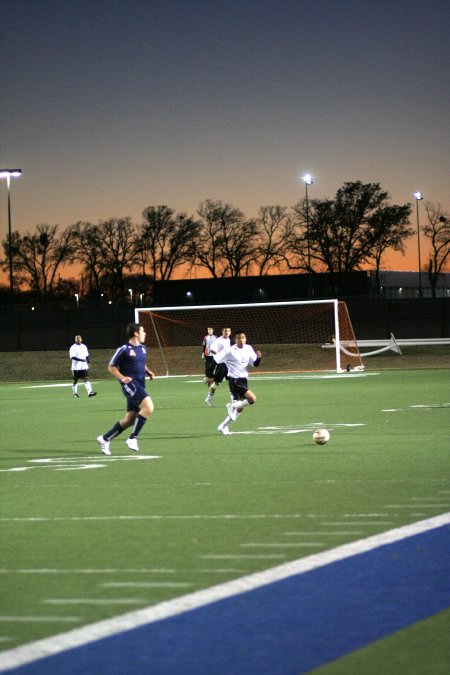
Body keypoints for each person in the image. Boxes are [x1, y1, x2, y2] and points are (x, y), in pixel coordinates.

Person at [96, 322, 155, 456]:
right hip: (130, 384)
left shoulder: (143, 348)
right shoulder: (124, 349)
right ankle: (132, 438)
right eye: (143, 331)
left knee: (130, 420)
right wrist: (122, 378)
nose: (145, 333)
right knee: (148, 407)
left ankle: (105, 438)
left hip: (140, 384)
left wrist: (148, 372)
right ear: (136, 333)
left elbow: (140, 364)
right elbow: (111, 367)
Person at [214, 331, 261, 435]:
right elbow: (217, 359)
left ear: (245, 338)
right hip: (234, 380)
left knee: (240, 409)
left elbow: (254, 364)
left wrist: (259, 358)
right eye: (239, 338)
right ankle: (231, 406)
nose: (241, 340)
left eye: (243, 338)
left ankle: (224, 426)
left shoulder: (248, 348)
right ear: (235, 340)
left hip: (244, 379)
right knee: (252, 399)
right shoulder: (230, 350)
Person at [205, 326, 232, 407]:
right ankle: (209, 398)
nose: (226, 332)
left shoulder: (228, 340)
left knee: (231, 381)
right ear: (222, 332)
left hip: (228, 364)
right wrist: (219, 356)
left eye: (228, 331)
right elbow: (212, 349)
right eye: (225, 331)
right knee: (216, 383)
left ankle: (234, 401)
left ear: (230, 332)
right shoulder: (219, 340)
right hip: (221, 364)